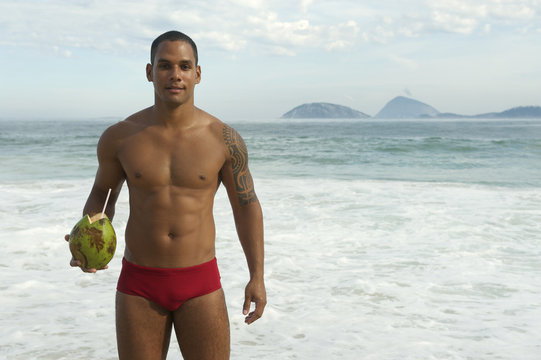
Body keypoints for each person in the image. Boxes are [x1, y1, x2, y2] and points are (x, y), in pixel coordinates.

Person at [65, 30, 266, 360]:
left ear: (197, 74)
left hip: (200, 281)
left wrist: (256, 276)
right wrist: (86, 237)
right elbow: (104, 194)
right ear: (149, 72)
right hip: (139, 284)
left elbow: (246, 206)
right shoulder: (120, 137)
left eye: (185, 66)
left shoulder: (224, 139)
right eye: (165, 66)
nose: (175, 75)